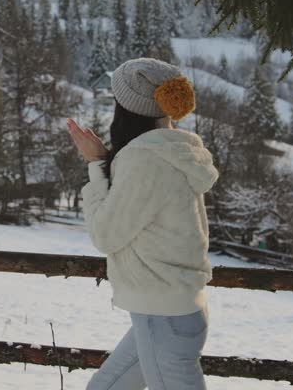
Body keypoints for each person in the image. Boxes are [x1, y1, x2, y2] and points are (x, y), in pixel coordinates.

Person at [66, 58, 219, 390]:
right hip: (172, 313)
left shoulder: (145, 160)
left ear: (127, 107)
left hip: (164, 316)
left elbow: (106, 235)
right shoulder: (175, 150)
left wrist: (96, 165)